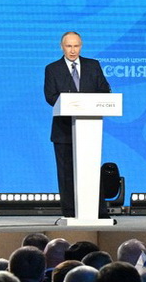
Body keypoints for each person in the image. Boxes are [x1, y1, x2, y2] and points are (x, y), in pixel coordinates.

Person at [43, 31, 111, 213]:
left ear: (81, 46)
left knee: (91, 171)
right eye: (69, 46)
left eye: (76, 46)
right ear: (62, 47)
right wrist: (73, 103)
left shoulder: (93, 65)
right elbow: (50, 96)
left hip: (89, 129)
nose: (73, 50)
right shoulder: (52, 69)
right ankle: (70, 212)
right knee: (66, 173)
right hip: (63, 130)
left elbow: (104, 91)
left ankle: (98, 212)